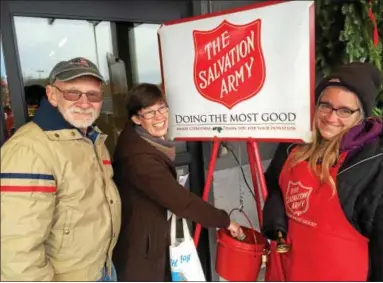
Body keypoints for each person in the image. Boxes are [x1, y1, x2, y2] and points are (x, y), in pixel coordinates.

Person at [0, 57, 121, 281]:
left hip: (101, 269)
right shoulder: (28, 150)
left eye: (93, 94)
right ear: (52, 94)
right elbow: (17, 252)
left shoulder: (92, 137)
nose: (85, 102)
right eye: (73, 93)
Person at [262, 62, 383, 281]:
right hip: (287, 272)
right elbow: (274, 185)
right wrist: (276, 216)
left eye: (344, 110)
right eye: (325, 105)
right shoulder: (294, 145)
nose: (330, 117)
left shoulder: (372, 164)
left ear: (361, 115)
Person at [112, 83, 243, 281]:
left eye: (162, 108)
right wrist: (225, 221)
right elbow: (182, 202)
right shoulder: (140, 158)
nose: (159, 117)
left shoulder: (143, 140)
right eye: (149, 112)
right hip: (141, 248)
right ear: (136, 118)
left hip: (147, 236)